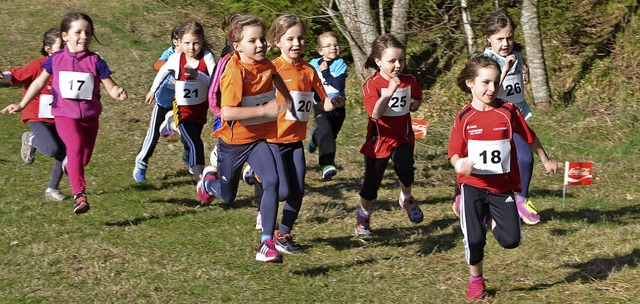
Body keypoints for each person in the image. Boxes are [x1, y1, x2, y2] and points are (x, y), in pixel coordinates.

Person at [448, 55, 558, 300]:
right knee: (474, 239)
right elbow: (453, 153)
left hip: (501, 187)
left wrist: (545, 159)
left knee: (511, 240)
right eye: (485, 82)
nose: (491, 88)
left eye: (496, 82)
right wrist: (460, 164)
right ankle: (476, 280)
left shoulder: (508, 111)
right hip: (472, 185)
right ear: (470, 83)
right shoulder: (464, 117)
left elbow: (530, 137)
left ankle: (487, 217)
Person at [1, 12, 128, 214]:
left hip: (90, 118)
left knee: (81, 159)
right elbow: (39, 82)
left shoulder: (96, 61)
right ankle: (80, 196)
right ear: (65, 35)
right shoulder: (56, 59)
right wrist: (22, 103)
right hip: (64, 115)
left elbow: (110, 86)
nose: (84, 36)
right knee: (74, 148)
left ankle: (74, 175)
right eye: (78, 32)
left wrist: (117, 92)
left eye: (88, 32)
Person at [196, 13, 294, 263]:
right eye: (253, 41)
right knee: (228, 195)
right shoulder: (235, 72)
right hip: (234, 142)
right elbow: (227, 112)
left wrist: (288, 98)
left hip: (260, 138)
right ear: (237, 46)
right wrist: (265, 110)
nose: (260, 45)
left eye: (262, 39)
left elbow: (275, 76)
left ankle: (266, 244)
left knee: (272, 181)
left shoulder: (267, 65)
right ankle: (208, 182)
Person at [252, 13, 344, 254]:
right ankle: (258, 174)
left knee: (298, 191)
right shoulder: (271, 68)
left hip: (295, 141)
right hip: (272, 139)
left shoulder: (309, 70)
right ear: (276, 41)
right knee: (281, 191)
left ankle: (283, 234)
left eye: (301, 38)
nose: (296, 44)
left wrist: (333, 103)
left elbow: (321, 101)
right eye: (290, 38)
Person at [453, 9, 540, 225]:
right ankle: (461, 194)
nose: (505, 43)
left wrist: (523, 68)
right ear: (488, 38)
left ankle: (522, 199)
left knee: (525, 158)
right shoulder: (488, 60)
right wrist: (505, 69)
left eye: (509, 37)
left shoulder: (515, 54)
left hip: (514, 115)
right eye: (499, 39)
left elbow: (516, 71)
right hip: (488, 118)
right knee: (477, 159)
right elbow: (490, 91)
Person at [355, 34, 424, 238]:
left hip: (403, 137)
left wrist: (414, 104)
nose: (397, 65)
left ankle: (406, 198)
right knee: (372, 182)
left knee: (406, 169)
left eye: (401, 60)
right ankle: (363, 214)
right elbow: (375, 113)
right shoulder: (373, 84)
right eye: (392, 61)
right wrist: (388, 93)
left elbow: (417, 97)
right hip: (380, 140)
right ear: (378, 61)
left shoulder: (408, 80)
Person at [0, 27, 67, 201]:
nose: (66, 49)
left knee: (65, 151)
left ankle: (52, 190)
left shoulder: (69, 67)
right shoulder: (38, 65)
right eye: (61, 46)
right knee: (53, 149)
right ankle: (30, 139)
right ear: (48, 48)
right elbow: (16, 74)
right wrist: (3, 76)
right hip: (37, 116)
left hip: (60, 117)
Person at [144, 20, 215, 181]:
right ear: (180, 43)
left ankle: (172, 125)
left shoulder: (207, 57)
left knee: (189, 138)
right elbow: (162, 71)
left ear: (202, 41)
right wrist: (152, 90)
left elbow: (214, 81)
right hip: (182, 108)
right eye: (187, 43)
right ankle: (200, 180)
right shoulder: (177, 58)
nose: (191, 47)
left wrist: (197, 75)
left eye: (196, 43)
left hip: (199, 109)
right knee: (196, 142)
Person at [133, 22, 185, 182]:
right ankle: (141, 163)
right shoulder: (170, 53)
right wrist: (171, 62)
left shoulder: (193, 56)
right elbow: (157, 65)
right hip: (163, 101)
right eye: (184, 41)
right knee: (153, 134)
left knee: (187, 131)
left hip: (182, 102)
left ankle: (190, 159)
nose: (189, 45)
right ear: (176, 42)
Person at [308, 31, 348, 180]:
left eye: (336, 44)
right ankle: (327, 165)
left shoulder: (340, 63)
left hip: (338, 106)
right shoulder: (312, 64)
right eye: (328, 45)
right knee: (327, 133)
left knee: (330, 134)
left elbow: (338, 84)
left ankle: (315, 136)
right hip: (320, 105)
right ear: (320, 51)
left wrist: (325, 72)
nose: (333, 48)